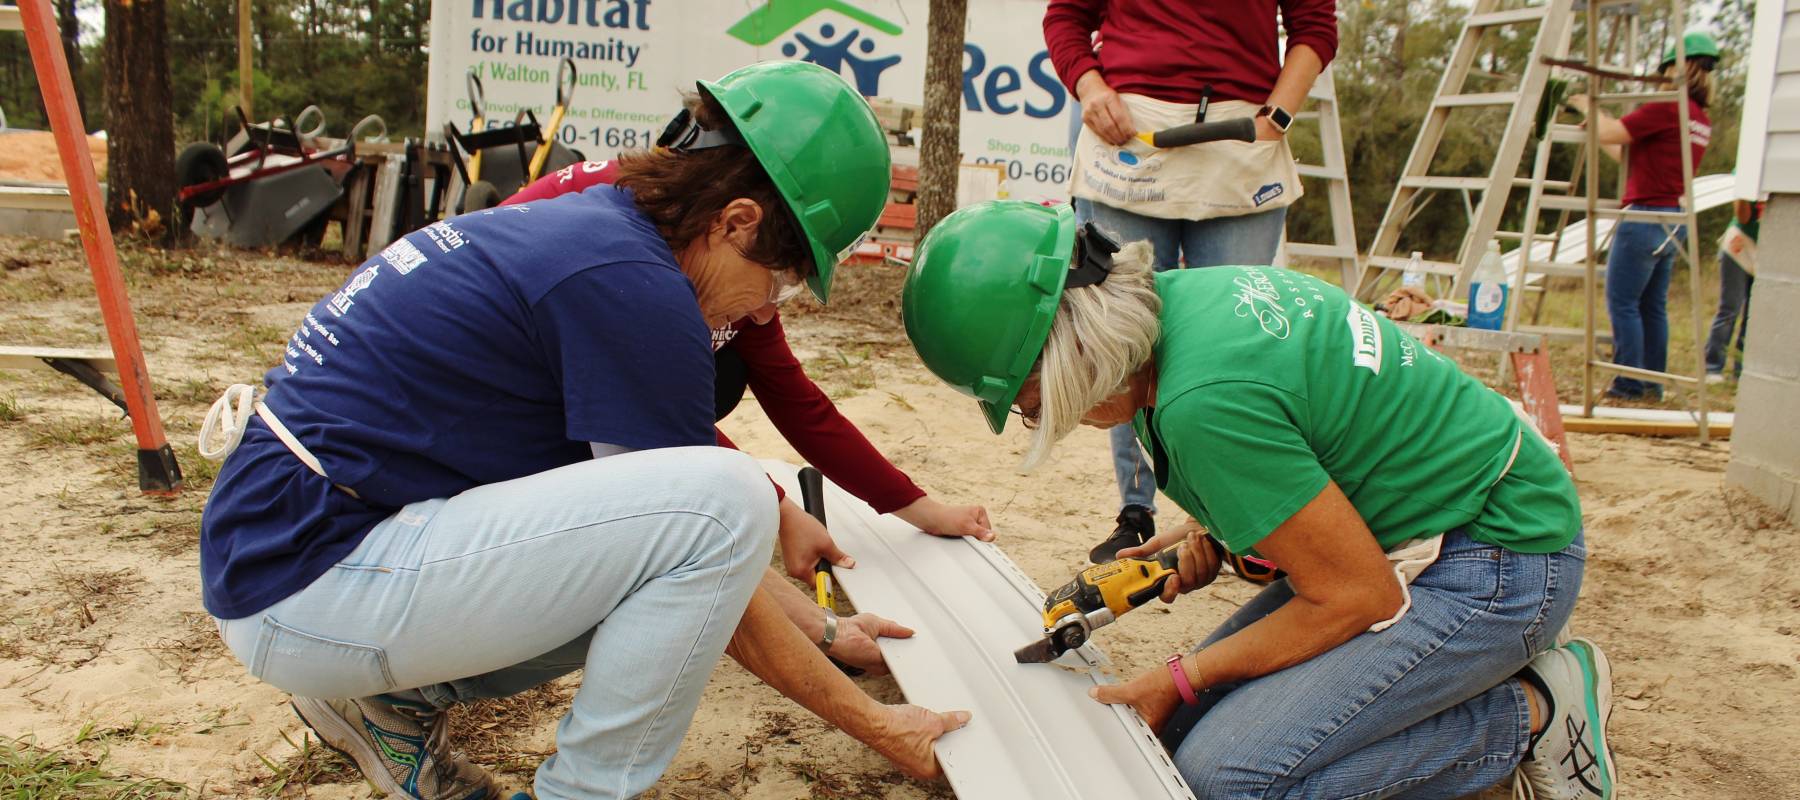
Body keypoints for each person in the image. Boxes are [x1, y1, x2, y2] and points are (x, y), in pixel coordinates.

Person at [197, 62, 969, 800]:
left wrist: (826, 634)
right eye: (782, 282)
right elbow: (713, 552)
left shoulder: (600, 234)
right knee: (731, 496)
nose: (769, 311)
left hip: (283, 557)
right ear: (738, 221)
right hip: (309, 585)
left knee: (696, 527)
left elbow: (686, 555)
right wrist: (878, 725)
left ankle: (383, 704)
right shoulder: (634, 293)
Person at [900, 200, 1615, 799]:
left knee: (1225, 778)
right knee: (1175, 734)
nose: (1038, 420)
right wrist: (1214, 524)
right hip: (1431, 524)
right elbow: (1306, 441)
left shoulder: (1203, 402)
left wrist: (1181, 673)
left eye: (1026, 402)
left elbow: (1358, 596)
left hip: (1501, 559)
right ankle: (1442, 688)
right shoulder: (1176, 311)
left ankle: (1528, 715)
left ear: (1068, 350)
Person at [1042, 0, 1338, 562]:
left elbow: (1316, 27)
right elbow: (1065, 16)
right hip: (1129, 135)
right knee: (1122, 338)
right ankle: (1137, 512)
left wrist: (1278, 115)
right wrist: (1089, 86)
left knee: (1240, 342)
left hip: (1241, 139)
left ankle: (1236, 519)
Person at [1567, 31, 1718, 401]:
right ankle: (1651, 383)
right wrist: (1602, 132)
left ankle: (1628, 383)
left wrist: (1587, 105)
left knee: (1623, 302)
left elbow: (1616, 131)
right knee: (1652, 306)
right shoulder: (1698, 118)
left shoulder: (1668, 107)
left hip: (1646, 216)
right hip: (1673, 218)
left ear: (1676, 67)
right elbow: (1630, 155)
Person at [1704, 198, 1761, 382]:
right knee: (1730, 309)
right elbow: (1743, 217)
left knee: (1754, 316)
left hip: (1765, 250)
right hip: (1739, 244)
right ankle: (1713, 368)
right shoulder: (1750, 171)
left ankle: (1741, 370)